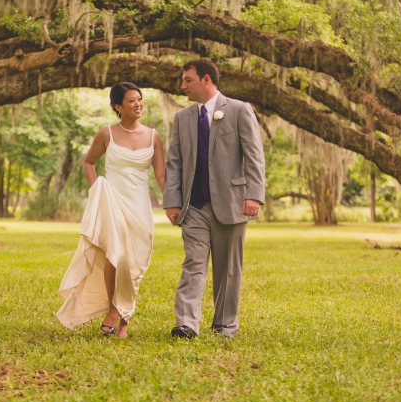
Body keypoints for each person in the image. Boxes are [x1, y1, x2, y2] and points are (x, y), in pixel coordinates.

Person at [163, 58, 265, 339]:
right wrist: (172, 200)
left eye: (187, 80)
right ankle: (187, 323)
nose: (182, 86)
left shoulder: (239, 110)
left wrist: (254, 194)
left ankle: (224, 325)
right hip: (193, 206)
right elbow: (175, 162)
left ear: (206, 80)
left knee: (228, 270)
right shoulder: (182, 118)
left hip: (232, 202)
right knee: (193, 264)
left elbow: (254, 156)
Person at [57, 82, 166, 338]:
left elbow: (161, 174)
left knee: (135, 263)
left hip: (140, 207)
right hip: (113, 204)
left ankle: (124, 314)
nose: (138, 104)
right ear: (118, 106)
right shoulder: (106, 133)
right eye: (131, 100)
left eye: (140, 99)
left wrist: (172, 204)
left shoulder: (153, 136)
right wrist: (99, 192)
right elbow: (88, 163)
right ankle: (115, 312)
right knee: (115, 258)